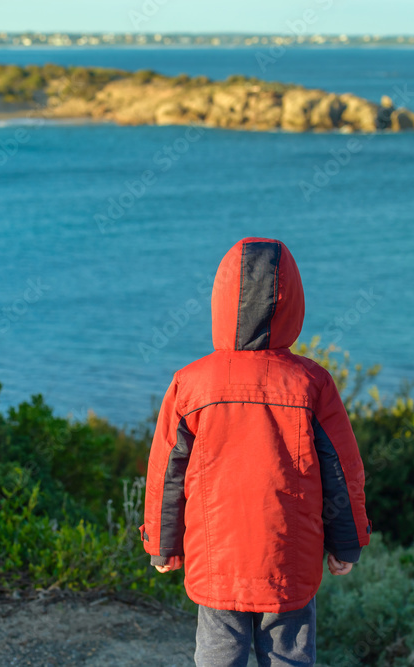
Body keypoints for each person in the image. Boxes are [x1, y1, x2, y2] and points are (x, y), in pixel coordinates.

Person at [140, 237, 371, 666]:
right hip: (289, 560)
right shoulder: (312, 383)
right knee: (289, 658)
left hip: (216, 557)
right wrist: (347, 543)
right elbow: (343, 470)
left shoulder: (190, 384)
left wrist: (162, 543)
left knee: (217, 656)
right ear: (293, 304)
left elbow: (166, 472)